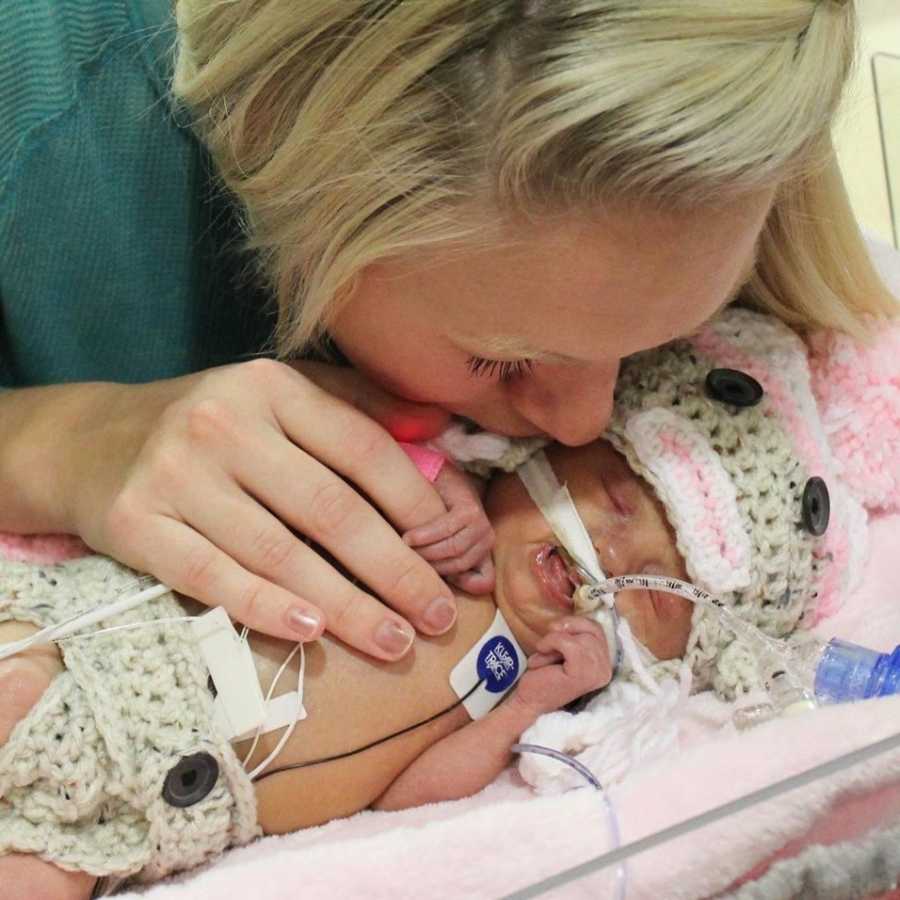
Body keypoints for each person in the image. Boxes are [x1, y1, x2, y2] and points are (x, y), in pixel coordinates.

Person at [0, 1, 896, 664]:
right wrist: (61, 445)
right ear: (285, 144)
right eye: (502, 359)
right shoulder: (41, 108)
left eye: (659, 339)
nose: (585, 423)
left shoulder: (706, 102)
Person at [5, 304, 897, 899]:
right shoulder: (431, 494)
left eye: (659, 601)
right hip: (97, 651)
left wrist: (530, 706)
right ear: (539, 452)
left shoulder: (521, 693)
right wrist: (442, 497)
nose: (611, 565)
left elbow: (405, 801)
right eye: (619, 504)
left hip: (143, 817)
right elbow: (280, 448)